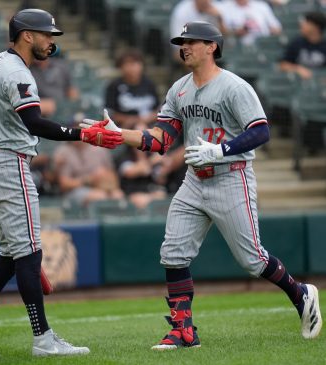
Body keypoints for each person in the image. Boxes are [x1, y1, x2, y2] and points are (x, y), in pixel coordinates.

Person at [82, 21, 322, 350]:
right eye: (182, 41)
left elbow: (261, 130)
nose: (185, 46)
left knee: (252, 260)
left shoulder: (234, 86)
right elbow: (162, 139)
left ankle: (301, 294)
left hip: (230, 175)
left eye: (192, 41)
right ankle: (183, 331)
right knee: (173, 253)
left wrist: (221, 149)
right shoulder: (179, 88)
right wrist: (119, 134)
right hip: (195, 180)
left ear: (212, 46)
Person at [0, 8, 122, 358]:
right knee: (31, 253)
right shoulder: (18, 71)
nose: (51, 40)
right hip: (7, 163)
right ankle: (43, 338)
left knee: (13, 253)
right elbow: (34, 123)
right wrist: (84, 133)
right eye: (46, 34)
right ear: (26, 35)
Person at [53, 135, 124, 208]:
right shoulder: (64, 152)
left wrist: (104, 176)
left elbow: (113, 175)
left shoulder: (99, 149)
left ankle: (114, 219)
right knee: (100, 196)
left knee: (118, 195)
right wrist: (89, 179)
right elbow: (64, 184)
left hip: (100, 187)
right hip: (76, 190)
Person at [279, 11, 326, 80]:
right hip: (297, 83)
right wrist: (297, 69)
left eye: (306, 23)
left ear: (316, 27)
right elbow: (282, 65)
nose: (302, 25)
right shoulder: (297, 43)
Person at [217, 0, 282, 45]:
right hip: (237, 46)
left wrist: (266, 31)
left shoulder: (261, 6)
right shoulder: (222, 7)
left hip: (263, 44)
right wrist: (235, 32)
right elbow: (219, 32)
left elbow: (277, 28)